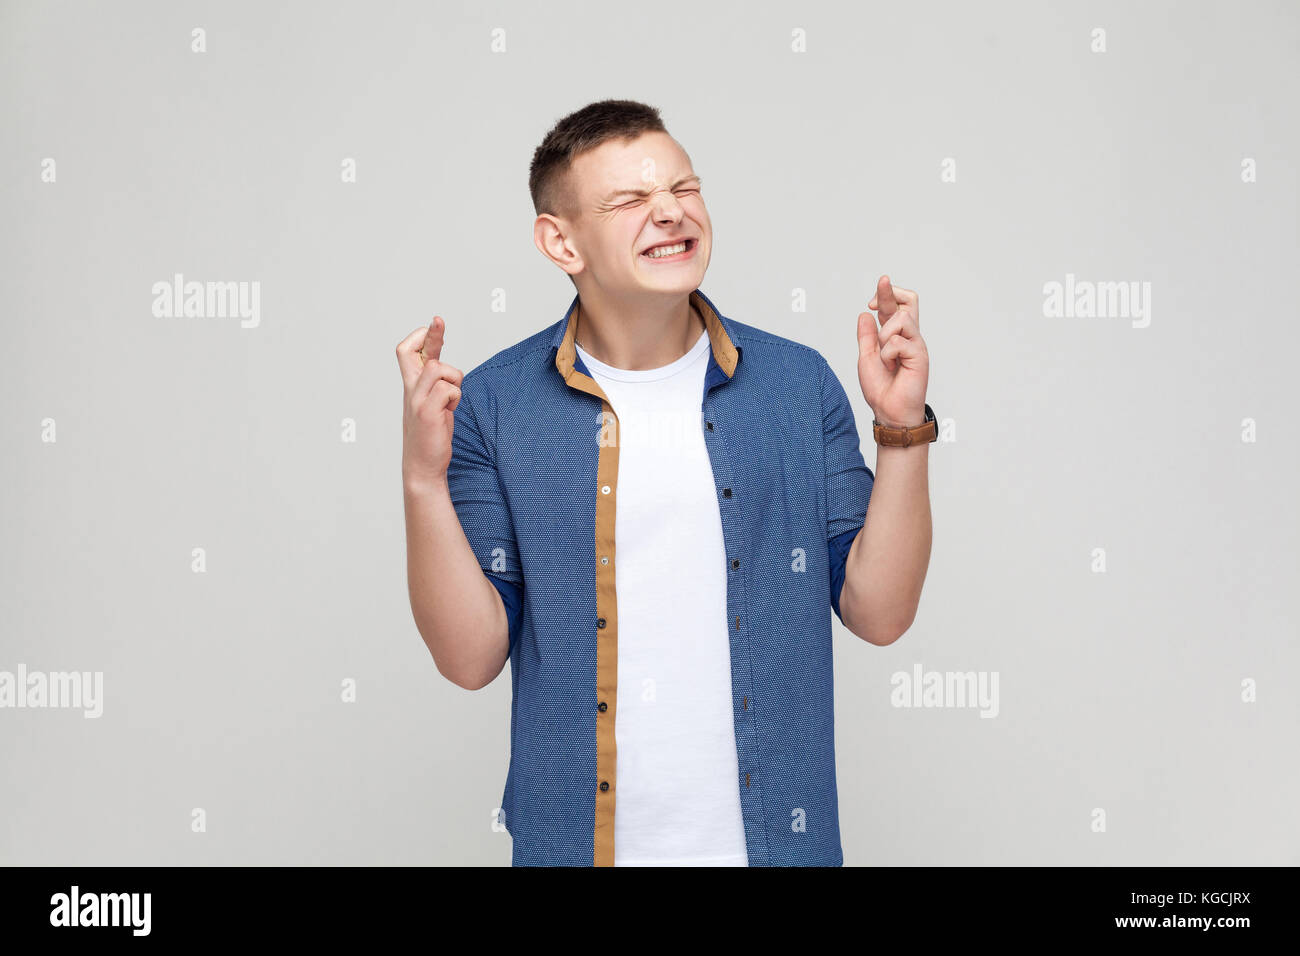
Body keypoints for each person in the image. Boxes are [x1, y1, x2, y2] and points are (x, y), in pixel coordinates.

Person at [395, 99, 935, 867]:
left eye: (684, 188)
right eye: (628, 201)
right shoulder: (494, 404)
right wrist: (423, 480)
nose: (670, 212)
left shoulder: (796, 384)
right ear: (561, 240)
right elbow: (469, 657)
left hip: (777, 846)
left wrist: (902, 431)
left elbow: (878, 612)